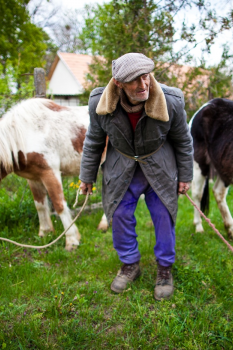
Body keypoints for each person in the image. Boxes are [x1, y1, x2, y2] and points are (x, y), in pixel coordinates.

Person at [79, 53, 193, 300]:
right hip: (121, 167)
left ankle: (165, 268)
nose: (143, 85)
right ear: (119, 83)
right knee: (118, 214)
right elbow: (94, 141)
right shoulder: (100, 103)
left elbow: (183, 141)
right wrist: (86, 177)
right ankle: (130, 264)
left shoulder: (171, 100)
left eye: (146, 77)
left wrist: (185, 175)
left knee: (164, 215)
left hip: (159, 166)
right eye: (135, 81)